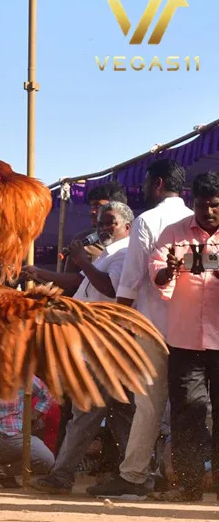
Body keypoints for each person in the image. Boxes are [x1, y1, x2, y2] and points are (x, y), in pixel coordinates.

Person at [87, 159, 191, 499]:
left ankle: (133, 476)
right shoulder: (194, 218)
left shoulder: (147, 220)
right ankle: (175, 475)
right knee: (185, 405)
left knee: (148, 405)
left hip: (150, 324)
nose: (143, 190)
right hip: (190, 327)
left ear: (157, 184)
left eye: (147, 184)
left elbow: (129, 283)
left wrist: (120, 327)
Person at [28, 202, 136, 494]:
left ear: (127, 226)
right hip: (96, 340)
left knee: (86, 411)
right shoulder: (106, 255)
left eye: (109, 223)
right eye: (101, 223)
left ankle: (61, 476)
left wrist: (82, 260)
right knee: (121, 414)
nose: (103, 228)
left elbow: (111, 289)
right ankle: (138, 476)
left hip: (107, 342)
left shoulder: (126, 252)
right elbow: (81, 289)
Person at [149, 171, 219, 502]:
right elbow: (157, 277)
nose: (208, 212)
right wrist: (172, 269)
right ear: (192, 203)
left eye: (215, 206)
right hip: (184, 341)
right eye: (202, 205)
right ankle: (189, 486)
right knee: (187, 414)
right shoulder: (172, 232)